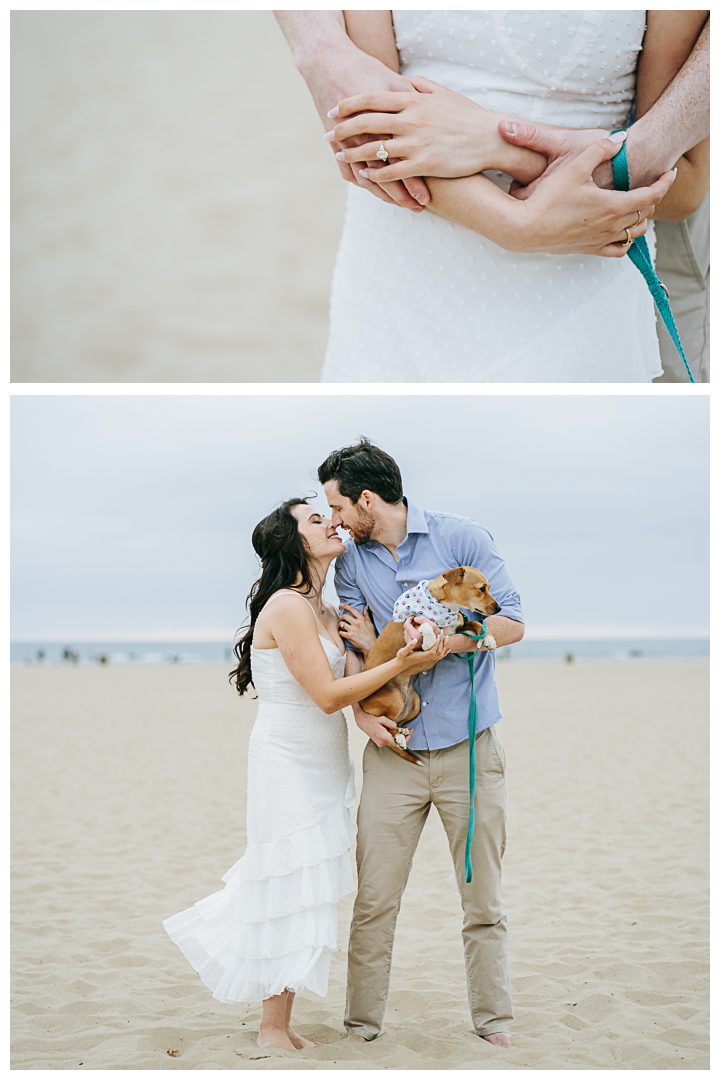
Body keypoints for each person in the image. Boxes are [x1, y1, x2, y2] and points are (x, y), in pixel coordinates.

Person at [276, 10, 708, 382]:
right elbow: (370, 124)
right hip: (397, 281)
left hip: (577, 292)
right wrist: (511, 222)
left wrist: (494, 140)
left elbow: (683, 179)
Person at [163, 498, 448, 1051]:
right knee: (286, 881)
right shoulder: (288, 607)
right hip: (287, 757)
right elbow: (323, 696)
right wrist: (404, 664)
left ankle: (282, 1023)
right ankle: (270, 1027)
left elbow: (349, 689)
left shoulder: (324, 607)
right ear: (295, 542)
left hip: (323, 758)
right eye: (315, 520)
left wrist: (372, 689)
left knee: (307, 887)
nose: (330, 522)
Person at [317, 439, 524, 1047]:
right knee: (374, 900)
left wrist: (452, 644)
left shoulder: (463, 541)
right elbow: (358, 650)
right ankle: (361, 1030)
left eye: (336, 505)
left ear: (366, 500)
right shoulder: (350, 563)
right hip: (392, 749)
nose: (333, 519)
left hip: (468, 747)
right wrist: (360, 710)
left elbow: (511, 622)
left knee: (483, 901)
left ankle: (494, 1025)